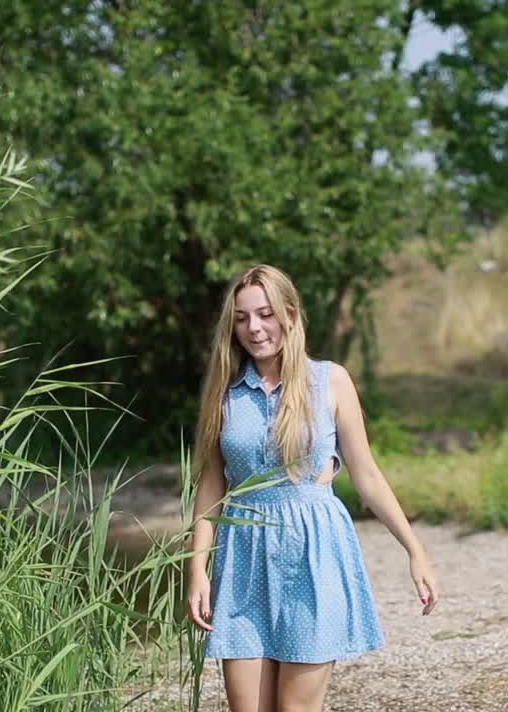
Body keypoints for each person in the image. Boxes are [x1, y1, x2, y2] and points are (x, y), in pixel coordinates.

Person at [186, 263, 439, 712]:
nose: (254, 328)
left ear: (289, 314)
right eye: (242, 318)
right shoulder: (224, 392)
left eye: (264, 314)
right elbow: (209, 490)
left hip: (313, 555)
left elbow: (367, 476)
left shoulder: (330, 380)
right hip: (243, 559)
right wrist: (197, 569)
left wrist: (414, 549)